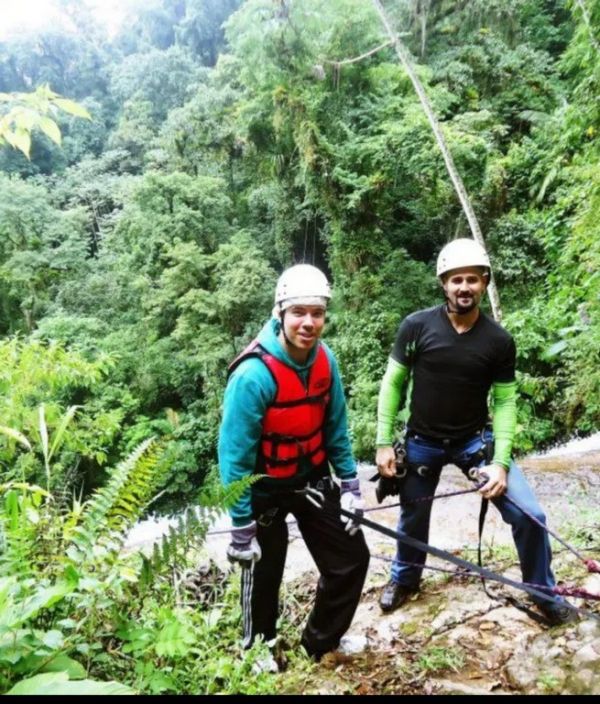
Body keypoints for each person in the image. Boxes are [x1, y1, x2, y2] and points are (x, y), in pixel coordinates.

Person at [374, 238, 575, 626]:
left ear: (484, 282)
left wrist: (500, 464)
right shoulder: (416, 327)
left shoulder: (498, 341)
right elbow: (393, 383)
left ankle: (543, 593)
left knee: (529, 514)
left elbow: (505, 402)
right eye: (456, 280)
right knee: (413, 515)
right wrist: (384, 442)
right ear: (443, 284)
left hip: (473, 442)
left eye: (472, 279)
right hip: (421, 441)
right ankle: (405, 580)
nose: (464, 287)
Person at [218, 263, 370, 665]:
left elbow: (336, 427)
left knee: (351, 558)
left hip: (310, 479)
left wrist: (350, 485)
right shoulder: (253, 375)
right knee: (264, 570)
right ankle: (259, 650)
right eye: (298, 312)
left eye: (317, 313)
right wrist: (240, 524)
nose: (308, 323)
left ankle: (321, 643)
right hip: (263, 487)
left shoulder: (325, 361)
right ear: (280, 313)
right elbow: (234, 456)